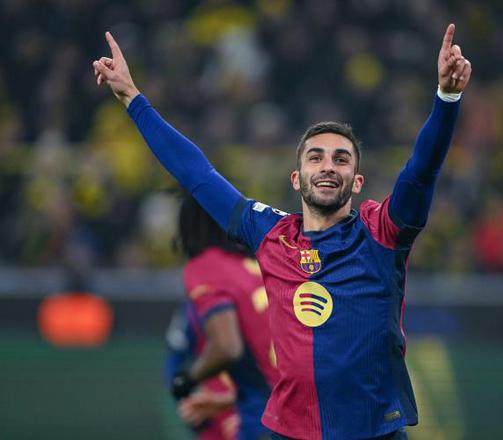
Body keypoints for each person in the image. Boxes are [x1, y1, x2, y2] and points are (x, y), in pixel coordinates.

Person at [93, 22, 471, 440]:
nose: (328, 166)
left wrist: (446, 98)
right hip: (289, 432)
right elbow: (196, 173)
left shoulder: (382, 233)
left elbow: (421, 171)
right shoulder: (270, 233)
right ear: (296, 178)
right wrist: (132, 98)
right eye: (316, 157)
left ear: (357, 182)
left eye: (342, 159)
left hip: (374, 433)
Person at [169, 193, 278, 440]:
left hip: (265, 422)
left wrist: (186, 379)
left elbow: (227, 347)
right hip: (301, 412)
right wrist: (229, 400)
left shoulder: (205, 267)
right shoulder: (260, 262)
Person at [164, 302, 239, 440]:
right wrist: (187, 401)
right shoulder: (191, 310)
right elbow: (174, 362)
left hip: (254, 412)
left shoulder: (256, 299)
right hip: (212, 412)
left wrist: (251, 411)